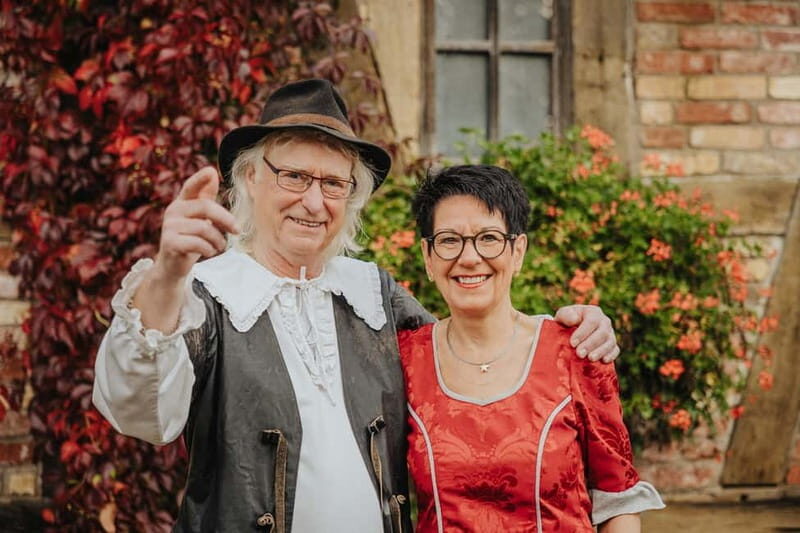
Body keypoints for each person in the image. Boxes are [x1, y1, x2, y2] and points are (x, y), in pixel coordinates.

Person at [92, 79, 622, 533]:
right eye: (294, 176)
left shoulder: (373, 292)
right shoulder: (205, 293)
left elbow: (465, 363)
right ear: (250, 178)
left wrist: (568, 332)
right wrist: (165, 275)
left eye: (334, 184)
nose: (315, 201)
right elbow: (141, 413)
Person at [400, 164, 664, 532]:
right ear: (428, 257)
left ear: (518, 250)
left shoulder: (575, 351)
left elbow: (617, 501)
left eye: (489, 238)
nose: (470, 257)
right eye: (449, 240)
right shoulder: (404, 359)